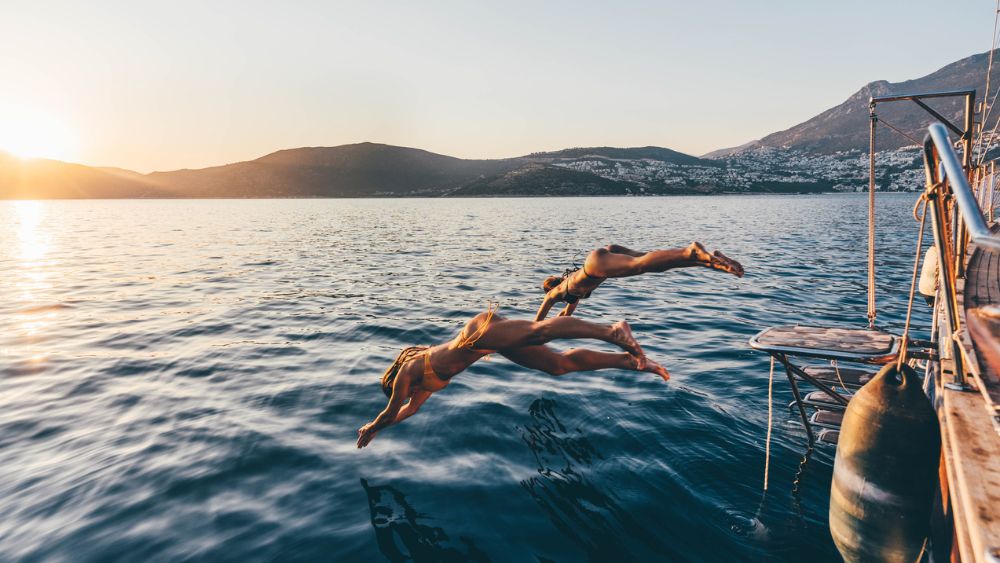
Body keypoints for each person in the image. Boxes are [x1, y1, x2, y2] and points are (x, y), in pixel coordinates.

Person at [356, 306, 669, 448]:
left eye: (403, 393)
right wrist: (381, 431)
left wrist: (373, 425)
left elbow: (391, 410)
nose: (407, 397)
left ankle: (611, 332)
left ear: (396, 381)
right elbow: (407, 411)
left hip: (476, 334)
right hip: (486, 344)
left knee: (538, 332)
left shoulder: (410, 372)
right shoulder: (424, 388)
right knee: (557, 366)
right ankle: (628, 361)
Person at [535, 242, 744, 321]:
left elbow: (539, 318)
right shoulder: (571, 293)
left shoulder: (558, 292)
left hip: (595, 266)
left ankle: (692, 251)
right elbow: (566, 315)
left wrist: (526, 338)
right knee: (651, 263)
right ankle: (711, 262)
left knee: (640, 265)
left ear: (550, 288)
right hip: (602, 257)